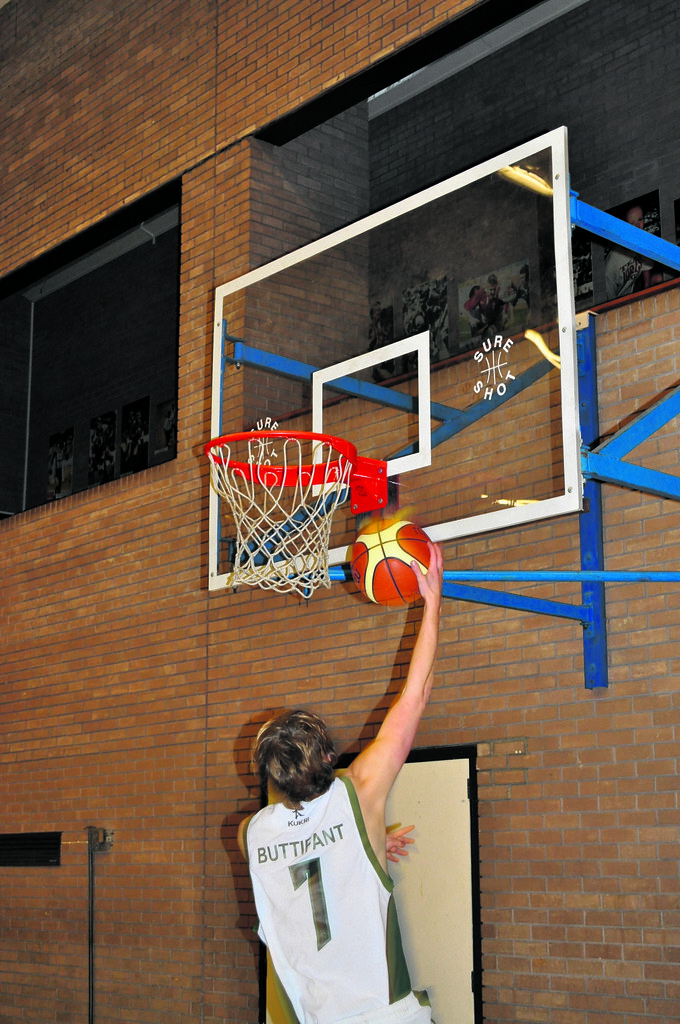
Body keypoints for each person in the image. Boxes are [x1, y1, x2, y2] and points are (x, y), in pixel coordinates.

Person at [238, 541, 443, 1024]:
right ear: (330, 757)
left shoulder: (252, 833)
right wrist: (433, 602)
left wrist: (360, 843)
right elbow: (414, 697)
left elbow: (307, 847)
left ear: (272, 776)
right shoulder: (360, 793)